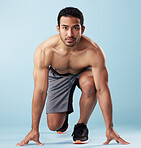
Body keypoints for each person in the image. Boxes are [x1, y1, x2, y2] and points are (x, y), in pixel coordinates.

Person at [16, 7, 130, 146]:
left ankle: (81, 126)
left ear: (82, 29)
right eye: (65, 28)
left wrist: (110, 128)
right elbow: (40, 91)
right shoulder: (45, 51)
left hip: (83, 73)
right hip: (59, 76)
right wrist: (34, 129)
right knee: (54, 126)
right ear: (58, 29)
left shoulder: (93, 51)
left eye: (75, 28)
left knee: (90, 83)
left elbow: (102, 90)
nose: (70, 34)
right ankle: (63, 119)